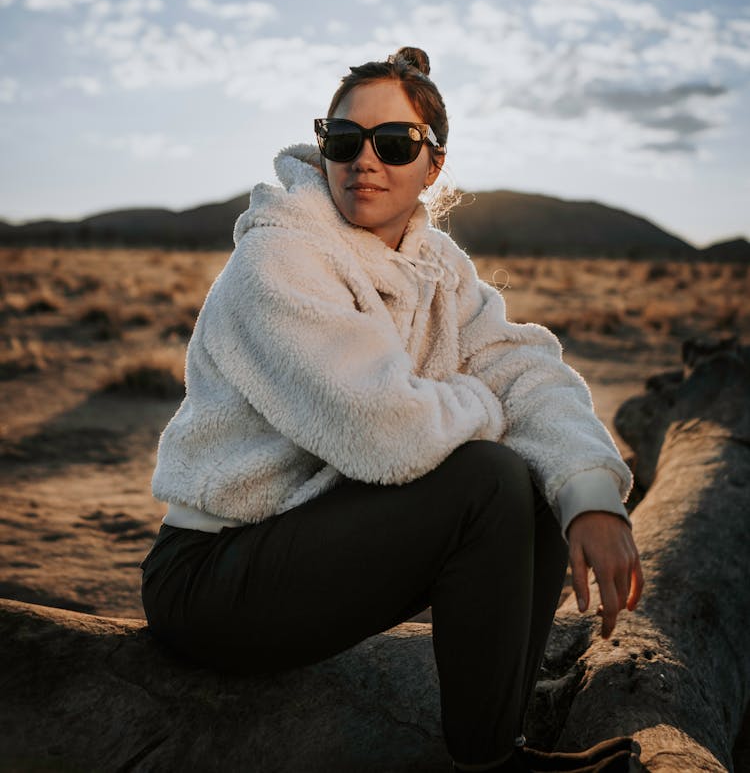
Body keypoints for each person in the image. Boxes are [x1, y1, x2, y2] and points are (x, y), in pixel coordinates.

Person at [142, 46, 643, 773]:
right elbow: (383, 430)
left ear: (433, 165)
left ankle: (498, 741)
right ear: (324, 148)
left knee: (536, 479)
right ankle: (491, 764)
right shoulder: (279, 257)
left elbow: (524, 367)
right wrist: (490, 407)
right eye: (344, 141)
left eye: (394, 143)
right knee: (490, 476)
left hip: (307, 547)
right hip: (211, 577)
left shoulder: (437, 265)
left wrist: (591, 494)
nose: (364, 161)